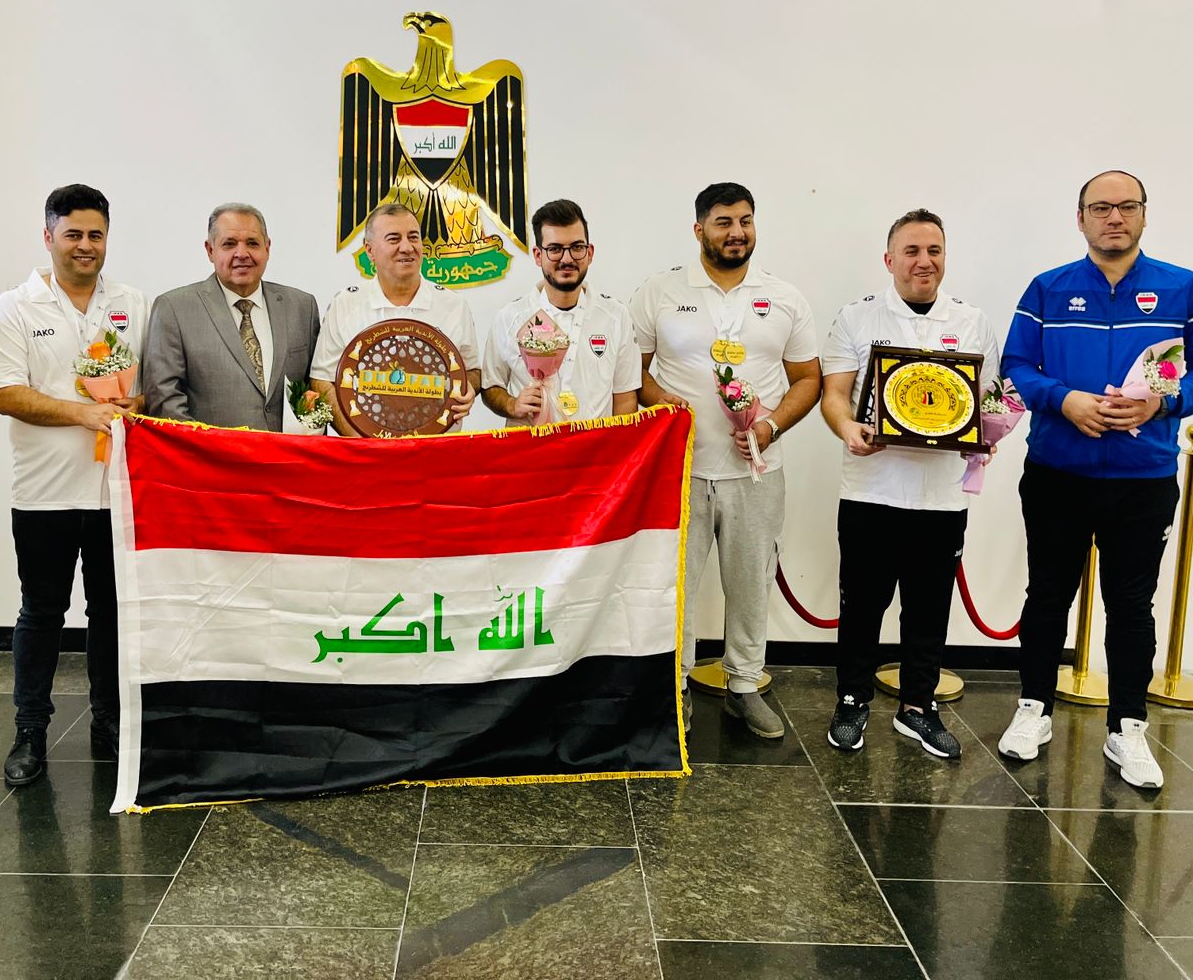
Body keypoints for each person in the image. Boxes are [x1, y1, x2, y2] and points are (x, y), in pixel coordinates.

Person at [997, 171, 1193, 789]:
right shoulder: (1048, 288)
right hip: (1057, 474)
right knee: (1047, 595)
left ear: (1144, 215)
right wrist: (1064, 399)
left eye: (1127, 206)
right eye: (1100, 207)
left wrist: (1164, 402)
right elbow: (1016, 365)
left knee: (1131, 606)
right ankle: (1033, 709)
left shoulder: (1183, 288)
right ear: (1080, 218)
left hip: (1142, 478)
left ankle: (1128, 727)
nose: (1114, 218)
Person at [631, 183, 821, 738]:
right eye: (723, 222)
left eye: (745, 221)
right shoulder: (660, 291)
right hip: (681, 469)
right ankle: (676, 686)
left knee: (751, 584)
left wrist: (769, 426)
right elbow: (630, 371)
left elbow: (808, 378)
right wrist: (663, 404)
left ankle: (744, 685)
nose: (737, 233)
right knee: (675, 585)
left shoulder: (783, 297)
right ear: (698, 230)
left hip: (756, 472)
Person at [819, 209, 1000, 760]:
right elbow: (834, 395)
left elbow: (988, 400)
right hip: (871, 489)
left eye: (934, 251)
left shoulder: (972, 321)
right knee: (862, 606)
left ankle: (918, 707)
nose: (924, 261)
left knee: (928, 608)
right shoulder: (857, 317)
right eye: (912, 251)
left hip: (941, 497)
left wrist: (985, 436)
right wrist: (848, 429)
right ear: (889, 259)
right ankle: (852, 699)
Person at [0, 185, 148, 783]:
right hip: (44, 493)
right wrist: (83, 413)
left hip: (116, 491)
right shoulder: (15, 307)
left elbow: (149, 389)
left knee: (110, 613)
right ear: (48, 236)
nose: (85, 245)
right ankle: (30, 731)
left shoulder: (132, 302)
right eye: (73, 234)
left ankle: (109, 721)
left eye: (95, 235)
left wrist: (132, 405)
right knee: (41, 612)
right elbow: (6, 394)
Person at [142, 204, 320, 429]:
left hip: (287, 451)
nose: (242, 254)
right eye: (229, 244)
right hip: (209, 451)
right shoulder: (174, 308)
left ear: (267, 248)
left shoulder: (302, 307)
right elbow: (165, 400)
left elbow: (316, 391)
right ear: (210, 250)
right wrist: (209, 447)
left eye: (252, 243)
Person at [310, 202, 480, 434]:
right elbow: (323, 379)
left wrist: (469, 388)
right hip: (365, 450)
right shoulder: (345, 304)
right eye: (394, 239)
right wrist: (359, 439)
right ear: (370, 250)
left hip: (437, 448)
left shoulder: (454, 305)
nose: (407, 247)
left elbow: (472, 370)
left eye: (413, 237)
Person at [481, 199, 639, 426]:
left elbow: (625, 398)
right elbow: (490, 386)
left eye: (577, 247)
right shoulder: (510, 317)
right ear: (538, 255)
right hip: (531, 447)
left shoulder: (616, 316)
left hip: (594, 448)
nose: (567, 259)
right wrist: (511, 405)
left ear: (590, 253)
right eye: (554, 249)